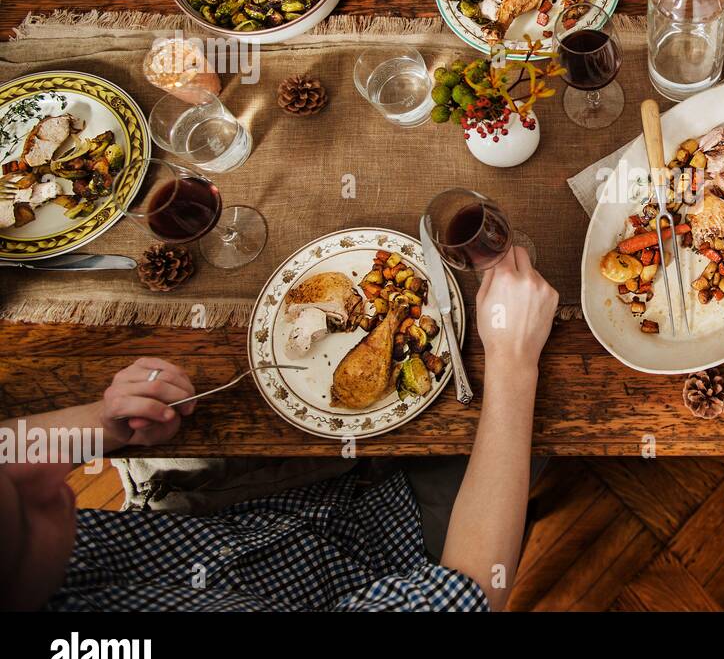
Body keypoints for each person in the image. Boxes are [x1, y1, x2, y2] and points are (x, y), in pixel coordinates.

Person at [0, 246, 558, 612]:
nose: (56, 476)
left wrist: (102, 426)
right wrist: (513, 360)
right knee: (541, 423)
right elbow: (470, 591)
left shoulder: (21, 486)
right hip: (389, 554)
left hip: (224, 513)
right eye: (28, 516)